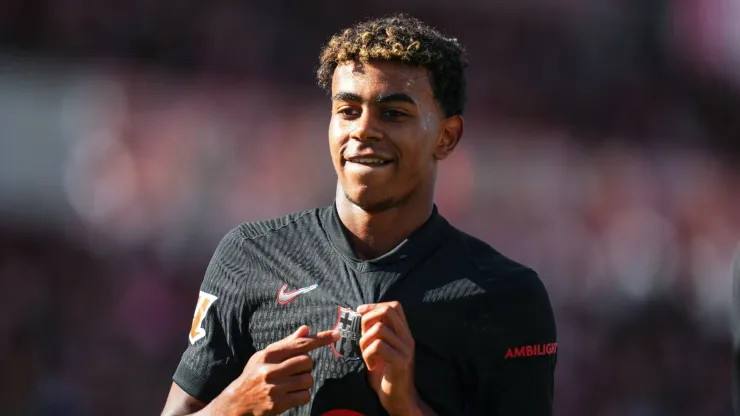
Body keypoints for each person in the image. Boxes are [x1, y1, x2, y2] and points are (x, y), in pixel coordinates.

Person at [161, 13, 557, 416]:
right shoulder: (249, 255)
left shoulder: (506, 297)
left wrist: (406, 405)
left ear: (446, 136)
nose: (364, 130)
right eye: (348, 110)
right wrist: (234, 404)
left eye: (394, 114)